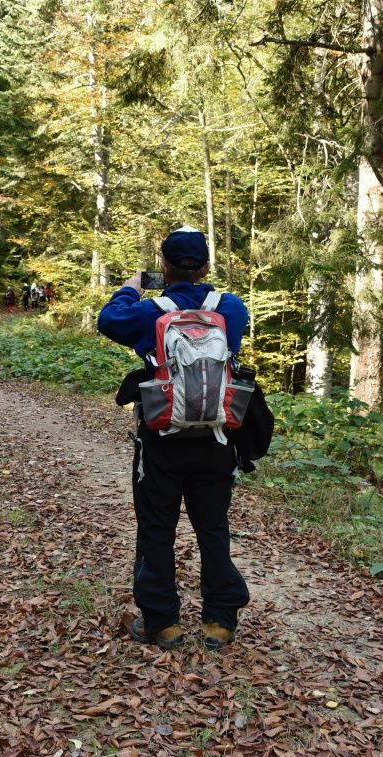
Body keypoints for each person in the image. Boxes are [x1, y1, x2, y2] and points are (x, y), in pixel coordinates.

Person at [97, 226, 250, 652]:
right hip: (217, 436)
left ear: (163, 266)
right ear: (206, 266)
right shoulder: (231, 308)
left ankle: (162, 623)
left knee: (157, 528)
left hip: (161, 435)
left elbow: (108, 321)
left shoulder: (150, 311)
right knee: (213, 527)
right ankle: (220, 621)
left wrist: (131, 287)